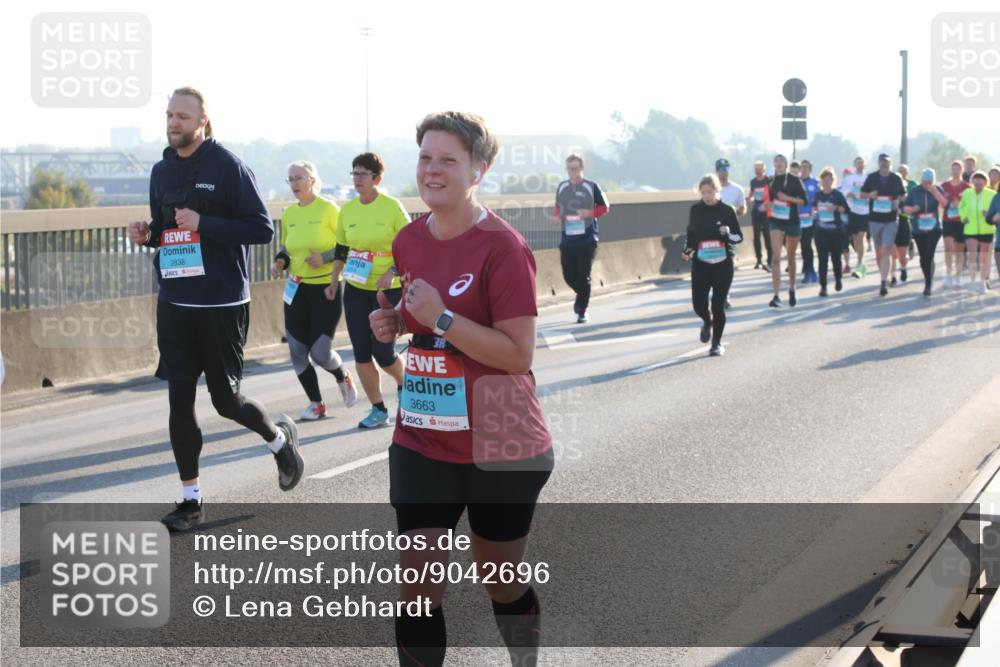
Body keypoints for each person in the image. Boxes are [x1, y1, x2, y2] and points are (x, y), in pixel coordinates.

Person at [369, 112, 553, 667]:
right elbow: (421, 312)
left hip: (501, 437)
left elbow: (518, 353)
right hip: (424, 436)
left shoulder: (503, 246)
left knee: (499, 580)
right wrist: (399, 322)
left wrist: (443, 319)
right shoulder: (406, 240)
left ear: (479, 169)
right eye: (425, 157)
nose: (433, 169)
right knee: (418, 581)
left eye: (448, 159)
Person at [127, 86, 303, 532]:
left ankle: (278, 439)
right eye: (169, 114)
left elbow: (262, 229)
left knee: (226, 401)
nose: (173, 122)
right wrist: (148, 234)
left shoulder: (228, 166)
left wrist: (205, 223)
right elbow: (168, 231)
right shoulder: (161, 170)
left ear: (203, 121)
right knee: (179, 401)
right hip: (176, 301)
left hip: (222, 302)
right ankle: (191, 500)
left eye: (183, 116)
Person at [325, 153, 409, 429]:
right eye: (354, 174)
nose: (357, 179)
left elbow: (412, 246)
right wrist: (333, 280)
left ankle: (404, 382)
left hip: (387, 290)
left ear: (377, 179)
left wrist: (393, 271)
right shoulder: (347, 210)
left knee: (384, 354)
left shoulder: (392, 207)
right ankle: (378, 409)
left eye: (363, 174)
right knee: (361, 353)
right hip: (356, 288)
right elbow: (341, 249)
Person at [271, 161, 357, 421]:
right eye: (290, 179)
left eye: (299, 178)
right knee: (297, 350)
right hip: (297, 288)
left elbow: (348, 245)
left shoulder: (329, 209)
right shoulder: (290, 214)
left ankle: (342, 375)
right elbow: (288, 246)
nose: (294, 184)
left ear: (311, 180)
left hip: (325, 287)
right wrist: (280, 261)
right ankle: (316, 403)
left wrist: (327, 257)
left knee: (320, 353)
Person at [682, 174, 743, 356]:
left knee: (718, 305)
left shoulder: (727, 211)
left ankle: (716, 343)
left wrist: (728, 232)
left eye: (710, 192)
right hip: (701, 262)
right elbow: (691, 235)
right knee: (698, 304)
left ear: (717, 191)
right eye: (703, 193)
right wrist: (687, 250)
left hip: (723, 263)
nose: (707, 196)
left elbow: (739, 237)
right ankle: (707, 321)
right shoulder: (696, 210)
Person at [553, 154, 610, 323]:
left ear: (582, 168)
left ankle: (582, 310)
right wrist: (557, 216)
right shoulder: (562, 187)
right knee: (569, 275)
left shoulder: (592, 186)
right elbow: (557, 208)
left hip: (587, 239)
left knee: (584, 275)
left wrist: (588, 213)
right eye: (570, 169)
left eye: (576, 168)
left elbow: (605, 207)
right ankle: (583, 293)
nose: (573, 172)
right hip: (568, 240)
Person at [860, 153, 907, 297]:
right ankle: (884, 276)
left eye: (886, 162)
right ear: (878, 163)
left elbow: (903, 194)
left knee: (886, 249)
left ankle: (883, 282)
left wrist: (897, 201)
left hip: (890, 220)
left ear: (890, 163)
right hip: (875, 220)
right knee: (879, 251)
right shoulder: (871, 177)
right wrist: (870, 196)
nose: (884, 164)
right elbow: (862, 194)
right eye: (881, 162)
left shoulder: (896, 178)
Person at [763, 154, 806, 307]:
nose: (779, 163)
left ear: (786, 164)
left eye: (782, 161)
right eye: (776, 160)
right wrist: (766, 205)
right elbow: (767, 200)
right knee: (775, 257)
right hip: (775, 221)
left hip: (792, 221)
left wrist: (787, 198)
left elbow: (803, 200)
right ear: (774, 164)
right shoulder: (770, 181)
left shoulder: (794, 180)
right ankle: (776, 295)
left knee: (790, 256)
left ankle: (792, 288)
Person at [902, 168, 948, 296]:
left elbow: (946, 205)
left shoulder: (937, 190)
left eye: (929, 182)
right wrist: (912, 209)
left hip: (934, 229)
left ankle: (928, 283)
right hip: (919, 229)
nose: (927, 184)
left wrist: (936, 194)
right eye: (925, 181)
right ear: (921, 180)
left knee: (929, 254)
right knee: (923, 257)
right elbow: (904, 207)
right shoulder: (914, 191)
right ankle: (927, 277)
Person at [812, 167, 849, 296]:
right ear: (821, 181)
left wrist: (836, 208)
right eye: (824, 180)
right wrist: (814, 212)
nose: (826, 182)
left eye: (828, 180)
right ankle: (823, 286)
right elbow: (813, 208)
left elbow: (846, 209)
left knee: (836, 258)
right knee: (822, 260)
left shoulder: (837, 195)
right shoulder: (818, 195)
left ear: (832, 180)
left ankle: (838, 279)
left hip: (836, 232)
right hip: (821, 232)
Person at [959, 171, 997, 293]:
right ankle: (972, 283)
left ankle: (982, 283)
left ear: (985, 183)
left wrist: (989, 214)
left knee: (984, 258)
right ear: (972, 183)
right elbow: (962, 207)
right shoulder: (967, 193)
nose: (978, 185)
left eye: (980, 183)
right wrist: (963, 216)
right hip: (970, 228)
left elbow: (997, 209)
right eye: (975, 182)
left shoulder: (992, 194)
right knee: (972, 256)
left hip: (987, 228)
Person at [715, 158, 744, 309]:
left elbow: (742, 209)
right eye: (720, 169)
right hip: (713, 232)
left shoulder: (737, 189)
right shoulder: (711, 189)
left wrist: (736, 211)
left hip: (730, 232)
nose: (723, 172)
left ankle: (725, 294)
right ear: (716, 171)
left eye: (725, 169)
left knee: (727, 265)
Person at [941, 160, 970, 288]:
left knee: (959, 250)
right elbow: (940, 202)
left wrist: (961, 205)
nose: (956, 171)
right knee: (948, 248)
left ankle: (958, 276)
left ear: (961, 170)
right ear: (951, 170)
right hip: (948, 220)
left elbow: (970, 204)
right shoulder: (944, 186)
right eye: (953, 169)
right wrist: (947, 204)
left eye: (958, 169)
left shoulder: (967, 187)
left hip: (961, 222)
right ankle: (948, 275)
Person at [841, 157, 870, 278]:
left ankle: (860, 263)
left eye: (862, 163)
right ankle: (861, 259)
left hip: (865, 211)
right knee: (855, 240)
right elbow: (844, 191)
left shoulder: (868, 178)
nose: (860, 165)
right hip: (853, 210)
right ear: (855, 164)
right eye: (858, 163)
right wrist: (851, 194)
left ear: (865, 165)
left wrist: (864, 196)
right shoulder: (849, 178)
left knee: (861, 237)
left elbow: (872, 192)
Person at [890, 164, 917, 286]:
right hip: (890, 225)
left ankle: (903, 268)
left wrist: (903, 210)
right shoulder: (888, 195)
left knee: (902, 254)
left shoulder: (907, 195)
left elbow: (911, 209)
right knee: (892, 252)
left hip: (904, 224)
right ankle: (893, 276)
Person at [748, 161, 773, 271]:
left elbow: (772, 194)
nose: (757, 170)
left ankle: (770, 260)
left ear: (764, 169)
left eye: (759, 168)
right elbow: (751, 194)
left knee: (768, 237)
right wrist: (750, 199)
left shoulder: (768, 180)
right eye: (756, 168)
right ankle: (759, 259)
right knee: (756, 237)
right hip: (756, 211)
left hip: (767, 212)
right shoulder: (753, 181)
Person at [797, 160, 819, 284]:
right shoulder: (796, 182)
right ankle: (807, 269)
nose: (804, 170)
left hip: (811, 218)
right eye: (802, 167)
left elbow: (818, 198)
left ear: (810, 169)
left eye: (806, 167)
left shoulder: (815, 183)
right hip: (799, 218)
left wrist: (814, 209)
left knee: (807, 243)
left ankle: (810, 271)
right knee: (804, 246)